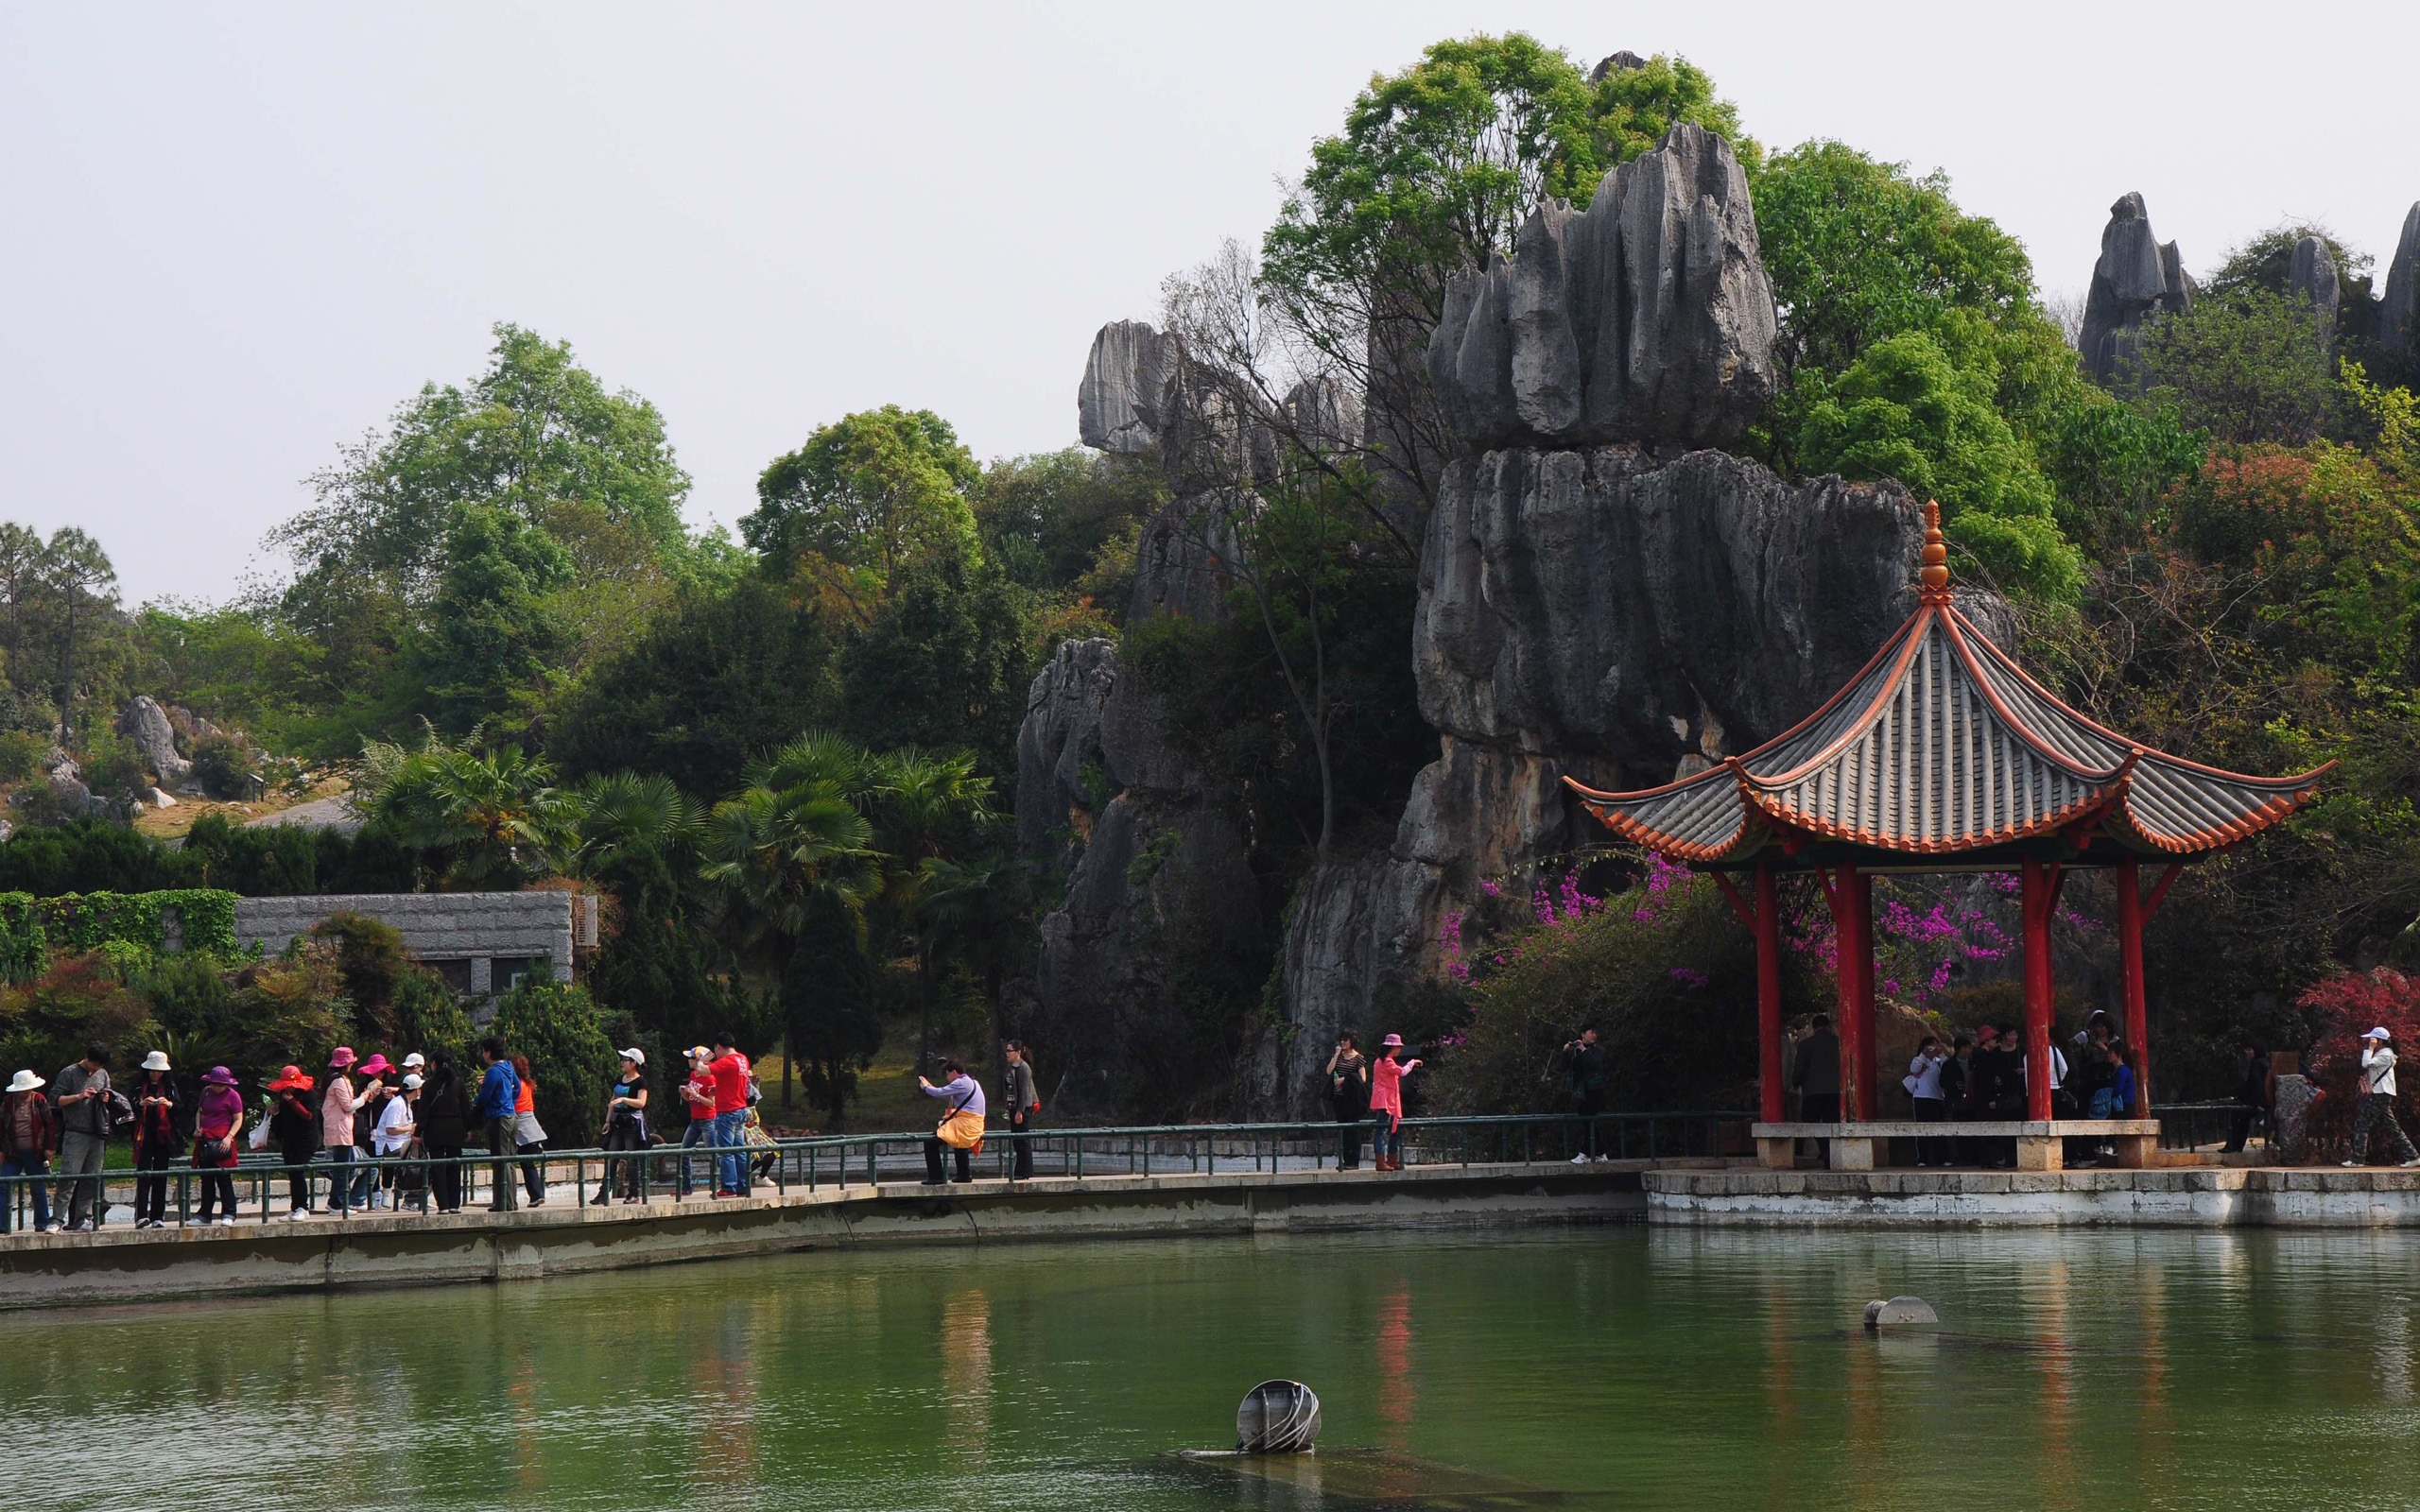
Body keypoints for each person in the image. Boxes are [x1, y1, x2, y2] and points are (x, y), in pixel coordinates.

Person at [51, 1042, 112, 1231]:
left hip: (97, 1132)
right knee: (68, 1177)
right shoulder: (69, 1072)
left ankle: (83, 1218)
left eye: (99, 1066)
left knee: (91, 1178)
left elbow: (108, 1092)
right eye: (94, 1064)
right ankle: (57, 1219)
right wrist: (78, 1096)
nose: (96, 1069)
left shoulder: (102, 1074)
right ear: (87, 1058)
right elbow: (54, 1100)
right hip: (76, 1132)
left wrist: (105, 1098)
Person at [2344, 1026, 2420, 1168]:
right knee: (2392, 1127)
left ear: (2381, 1041)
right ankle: (2413, 1156)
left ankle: (2358, 1159)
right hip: (2381, 1093)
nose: (2371, 1041)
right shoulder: (2384, 1053)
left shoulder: (2385, 1055)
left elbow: (2365, 1064)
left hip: (2381, 1093)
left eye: (2374, 1039)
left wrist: (2370, 1048)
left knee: (2362, 1124)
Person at [2, 1069, 57, 1233]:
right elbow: (1, 1127)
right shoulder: (8, 1102)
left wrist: (49, 1148)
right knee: (3, 1184)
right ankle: (2, 1224)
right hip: (13, 1151)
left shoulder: (39, 1100)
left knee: (38, 1187)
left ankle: (42, 1222)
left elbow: (49, 1124)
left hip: (35, 1150)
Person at [130, 1050, 181, 1228]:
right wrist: (141, 1104)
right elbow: (128, 1106)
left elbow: (180, 1108)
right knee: (143, 1176)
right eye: (152, 1070)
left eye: (159, 1071)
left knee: (161, 1177)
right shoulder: (138, 1085)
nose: (155, 1073)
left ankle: (158, 1216)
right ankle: (141, 1215)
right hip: (143, 1136)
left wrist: (169, 1104)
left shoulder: (170, 1086)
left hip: (163, 1137)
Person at [320, 1047, 372, 1214]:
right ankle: (338, 1204)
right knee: (343, 1168)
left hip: (338, 1127)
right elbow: (348, 1106)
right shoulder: (339, 1081)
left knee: (345, 1166)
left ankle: (335, 1201)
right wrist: (364, 1097)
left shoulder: (331, 1079)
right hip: (339, 1128)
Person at [191, 1065, 244, 1226]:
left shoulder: (233, 1096)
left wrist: (229, 1137)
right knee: (207, 1179)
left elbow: (238, 1119)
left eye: (221, 1084)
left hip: (222, 1139)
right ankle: (205, 1214)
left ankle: (229, 1212)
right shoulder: (206, 1092)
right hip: (206, 1139)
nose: (217, 1087)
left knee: (224, 1178)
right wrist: (197, 1127)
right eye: (215, 1083)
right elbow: (200, 1111)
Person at [918, 1060, 986, 1184]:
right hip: (976, 1124)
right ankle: (964, 1175)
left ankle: (936, 1177)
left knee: (930, 1143)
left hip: (966, 1123)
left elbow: (939, 1092)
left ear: (954, 1072)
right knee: (960, 1143)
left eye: (948, 1074)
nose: (947, 1078)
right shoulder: (974, 1082)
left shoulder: (960, 1083)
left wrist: (926, 1087)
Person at [595, 1049, 648, 1204]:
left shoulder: (640, 1082)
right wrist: (607, 1121)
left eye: (625, 1060)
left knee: (632, 1158)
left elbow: (641, 1103)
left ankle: (633, 1193)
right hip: (617, 1122)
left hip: (631, 1123)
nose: (622, 1062)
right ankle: (603, 1193)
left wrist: (624, 1100)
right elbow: (612, 1100)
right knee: (611, 1157)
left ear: (633, 1063)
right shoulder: (620, 1078)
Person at [419, 1052, 470, 1214]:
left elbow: (423, 1112)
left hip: (435, 1129)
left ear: (434, 1064)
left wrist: (418, 1131)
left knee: (438, 1168)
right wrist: (468, 1129)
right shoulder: (458, 1083)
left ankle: (443, 1205)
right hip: (456, 1128)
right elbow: (466, 1109)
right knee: (455, 1166)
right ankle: (455, 1204)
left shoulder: (428, 1085)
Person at [267, 1065, 320, 1218]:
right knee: (292, 1172)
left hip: (306, 1138)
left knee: (298, 1170)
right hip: (290, 1138)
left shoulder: (309, 1094)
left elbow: (308, 1116)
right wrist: (275, 1112)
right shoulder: (283, 1095)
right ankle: (295, 1207)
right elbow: (283, 1117)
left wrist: (292, 1102)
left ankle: (303, 1207)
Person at [475, 1039, 521, 1211]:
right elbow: (517, 1087)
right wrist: (510, 1101)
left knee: (500, 1160)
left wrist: (477, 1101)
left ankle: (503, 1202)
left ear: (488, 1053)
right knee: (509, 1161)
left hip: (499, 1117)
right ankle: (511, 1201)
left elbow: (485, 1097)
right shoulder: (508, 1067)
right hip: (511, 1116)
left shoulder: (493, 1071)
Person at [1368, 1034, 1422, 1173]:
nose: (1399, 1050)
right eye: (1397, 1047)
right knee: (1382, 1130)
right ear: (1392, 1048)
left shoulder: (1381, 1061)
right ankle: (1382, 1162)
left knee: (1395, 1128)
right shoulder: (1387, 1061)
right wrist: (1412, 1062)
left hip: (1389, 1097)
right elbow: (1402, 1072)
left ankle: (1391, 1159)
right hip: (1385, 1098)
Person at [1791, 1015, 1841, 1165]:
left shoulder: (1806, 1044)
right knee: (1832, 1122)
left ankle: (1824, 1147)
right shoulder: (1838, 1043)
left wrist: (1795, 1082)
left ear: (1814, 1027)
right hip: (1835, 1090)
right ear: (1829, 1026)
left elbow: (1800, 1067)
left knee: (1810, 1121)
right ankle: (1830, 1154)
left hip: (1813, 1091)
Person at [707, 1034, 752, 1198]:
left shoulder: (726, 1061)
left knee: (726, 1151)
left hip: (727, 1111)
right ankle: (743, 1185)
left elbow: (702, 1070)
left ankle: (728, 1186)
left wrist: (702, 1061)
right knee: (739, 1149)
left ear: (719, 1046)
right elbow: (732, 1082)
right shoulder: (742, 1059)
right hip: (740, 1109)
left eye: (715, 1049)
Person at [353, 1055, 395, 1210]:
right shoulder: (365, 1086)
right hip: (371, 1130)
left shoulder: (392, 1084)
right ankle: (375, 1192)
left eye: (381, 1071)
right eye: (375, 1071)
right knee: (373, 1160)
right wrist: (370, 1098)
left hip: (390, 1129)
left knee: (390, 1161)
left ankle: (387, 1193)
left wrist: (392, 1095)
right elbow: (360, 1109)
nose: (379, 1075)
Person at [375, 1073, 423, 1212]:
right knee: (419, 1162)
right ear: (417, 1090)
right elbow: (390, 1129)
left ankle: (414, 1196)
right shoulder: (398, 1104)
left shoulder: (405, 1102)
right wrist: (412, 1127)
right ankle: (411, 1197)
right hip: (391, 1145)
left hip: (401, 1142)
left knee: (422, 1155)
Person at [1561, 1026, 1607, 1160]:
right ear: (1583, 1034)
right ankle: (1600, 1153)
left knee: (1589, 1121)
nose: (1594, 1035)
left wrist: (1583, 1050)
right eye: (1591, 1033)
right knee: (1586, 1123)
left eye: (1595, 1033)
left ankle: (1584, 1153)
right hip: (1579, 1092)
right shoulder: (1575, 1051)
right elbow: (1564, 1067)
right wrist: (1565, 1052)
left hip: (1594, 1091)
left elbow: (1595, 1065)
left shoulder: (1598, 1050)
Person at [675, 1046, 716, 1197]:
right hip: (695, 1120)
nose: (689, 1060)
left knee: (714, 1154)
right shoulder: (693, 1075)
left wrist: (696, 1095)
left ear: (700, 1060)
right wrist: (685, 1094)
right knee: (684, 1152)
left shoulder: (710, 1077)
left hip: (708, 1120)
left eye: (692, 1058)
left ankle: (720, 1185)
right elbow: (690, 1099)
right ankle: (686, 1187)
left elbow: (712, 1103)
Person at [1325, 1034, 1369, 1171]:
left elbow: (1362, 1078)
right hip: (1339, 1098)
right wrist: (1337, 1054)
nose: (1343, 1042)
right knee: (1343, 1129)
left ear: (1352, 1041)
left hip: (1352, 1098)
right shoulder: (1338, 1056)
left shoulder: (1358, 1058)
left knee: (1353, 1130)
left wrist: (1345, 1079)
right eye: (1341, 1040)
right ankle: (1346, 1160)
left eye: (1346, 1040)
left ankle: (1354, 1161)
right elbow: (1329, 1071)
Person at [510, 1054, 549, 1207]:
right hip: (530, 1124)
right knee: (528, 1163)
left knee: (526, 1163)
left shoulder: (516, 1084)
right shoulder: (527, 1083)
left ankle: (536, 1195)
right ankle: (536, 1194)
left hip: (522, 1124)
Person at [2223, 1040, 2271, 1154]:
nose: (2247, 1052)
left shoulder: (2256, 1065)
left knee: (2235, 1117)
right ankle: (2236, 1146)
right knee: (2243, 1120)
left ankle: (2233, 1146)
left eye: (2250, 1050)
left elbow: (2257, 1084)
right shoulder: (2264, 1063)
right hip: (2260, 1100)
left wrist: (2257, 1103)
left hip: (2256, 1101)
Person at [1002, 1041, 1040, 1180]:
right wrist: (1009, 1106)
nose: (1007, 1053)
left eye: (1010, 1050)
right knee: (1017, 1139)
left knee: (1022, 1139)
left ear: (1018, 1052)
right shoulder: (1012, 1067)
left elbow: (1024, 1092)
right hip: (1014, 1107)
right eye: (1007, 1050)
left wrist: (1020, 1111)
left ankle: (1025, 1170)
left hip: (1022, 1108)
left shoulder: (1023, 1067)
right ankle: (1019, 1170)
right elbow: (1012, 1090)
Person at [1907, 1037, 1947, 1166]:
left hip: (1937, 1097)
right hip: (1921, 1098)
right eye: (1931, 1045)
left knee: (1939, 1129)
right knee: (1921, 1129)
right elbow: (1914, 1069)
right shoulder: (1919, 1060)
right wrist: (1923, 1054)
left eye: (1936, 1044)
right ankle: (1922, 1159)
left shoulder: (1938, 1061)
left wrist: (1940, 1052)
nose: (1933, 1047)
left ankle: (1941, 1158)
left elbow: (1947, 1066)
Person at [1941, 1035, 1975, 1167]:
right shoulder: (1949, 1065)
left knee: (1971, 1131)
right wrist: (1956, 1085)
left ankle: (1971, 1157)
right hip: (1955, 1101)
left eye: (1969, 1048)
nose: (1968, 1051)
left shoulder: (1973, 1063)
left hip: (1971, 1102)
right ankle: (1956, 1158)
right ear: (1958, 1049)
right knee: (1955, 1132)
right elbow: (1942, 1082)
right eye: (1965, 1048)